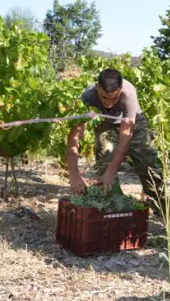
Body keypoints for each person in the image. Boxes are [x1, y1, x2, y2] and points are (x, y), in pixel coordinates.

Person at [66, 68, 164, 213]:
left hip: (133, 123)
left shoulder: (128, 93)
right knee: (105, 164)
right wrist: (74, 175)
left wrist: (113, 170)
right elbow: (75, 136)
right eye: (104, 98)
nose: (109, 103)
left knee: (147, 162)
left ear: (120, 89)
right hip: (105, 124)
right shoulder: (88, 96)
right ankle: (114, 208)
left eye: (114, 98)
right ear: (97, 88)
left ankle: (161, 205)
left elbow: (126, 137)